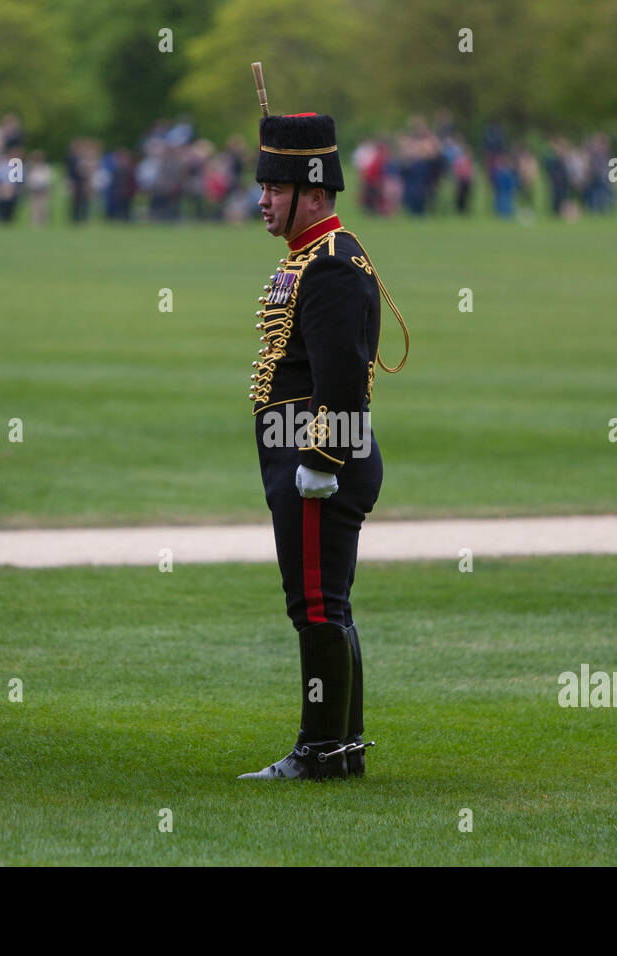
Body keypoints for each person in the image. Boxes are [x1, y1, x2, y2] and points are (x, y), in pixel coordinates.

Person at [240, 111, 406, 780]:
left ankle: (321, 750)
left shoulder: (331, 265)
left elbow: (341, 377)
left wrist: (319, 460)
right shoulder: (310, 258)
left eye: (275, 188)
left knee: (315, 605)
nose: (262, 200)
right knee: (325, 603)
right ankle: (340, 747)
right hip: (300, 454)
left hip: (318, 462)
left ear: (313, 191)